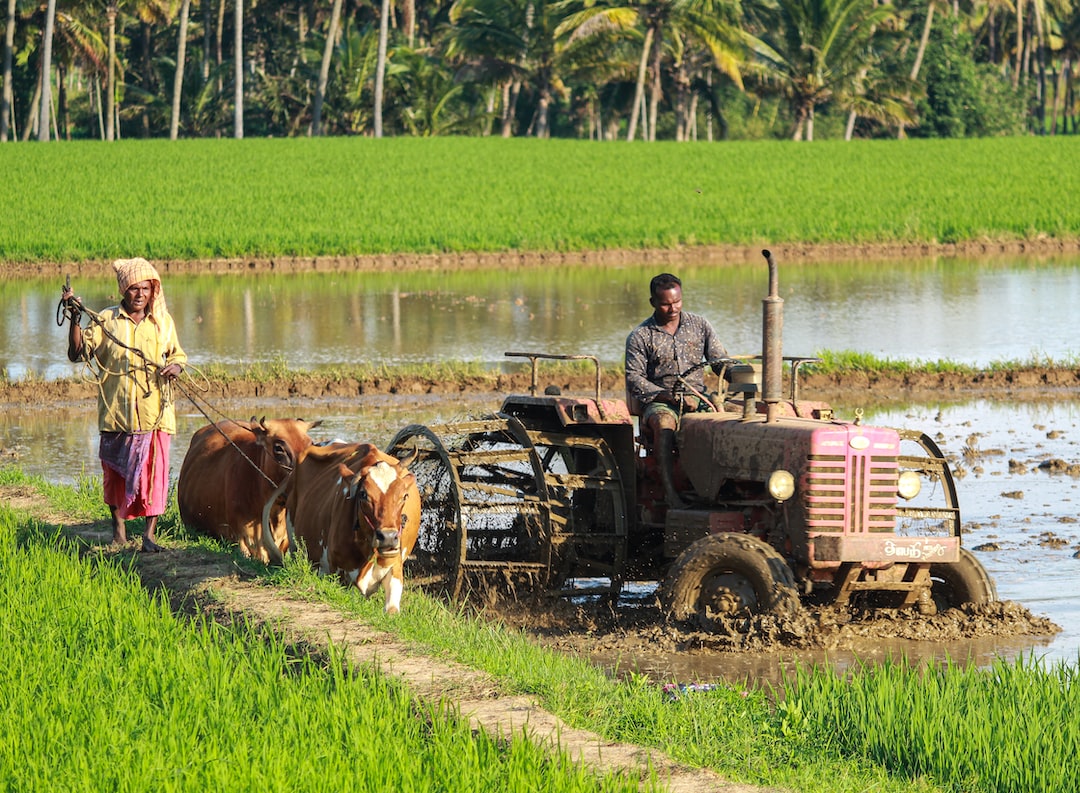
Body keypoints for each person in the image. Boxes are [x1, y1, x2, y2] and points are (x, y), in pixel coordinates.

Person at [61, 258, 187, 552]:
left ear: (152, 291)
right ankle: (118, 533)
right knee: (115, 476)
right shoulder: (106, 320)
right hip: (117, 414)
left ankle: (149, 536)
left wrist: (176, 368)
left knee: (154, 474)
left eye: (145, 288)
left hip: (155, 414)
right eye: (134, 288)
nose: (140, 294)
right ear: (123, 291)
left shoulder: (162, 323)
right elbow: (77, 353)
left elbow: (178, 355)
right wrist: (75, 318)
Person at [625, 273, 726, 509]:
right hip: (660, 401)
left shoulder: (700, 325)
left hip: (698, 397)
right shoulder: (641, 336)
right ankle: (671, 494)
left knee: (729, 421)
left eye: (677, 302)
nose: (673, 308)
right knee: (664, 424)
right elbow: (634, 378)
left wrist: (739, 374)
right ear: (653, 302)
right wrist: (667, 396)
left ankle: (718, 490)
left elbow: (720, 360)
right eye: (666, 303)